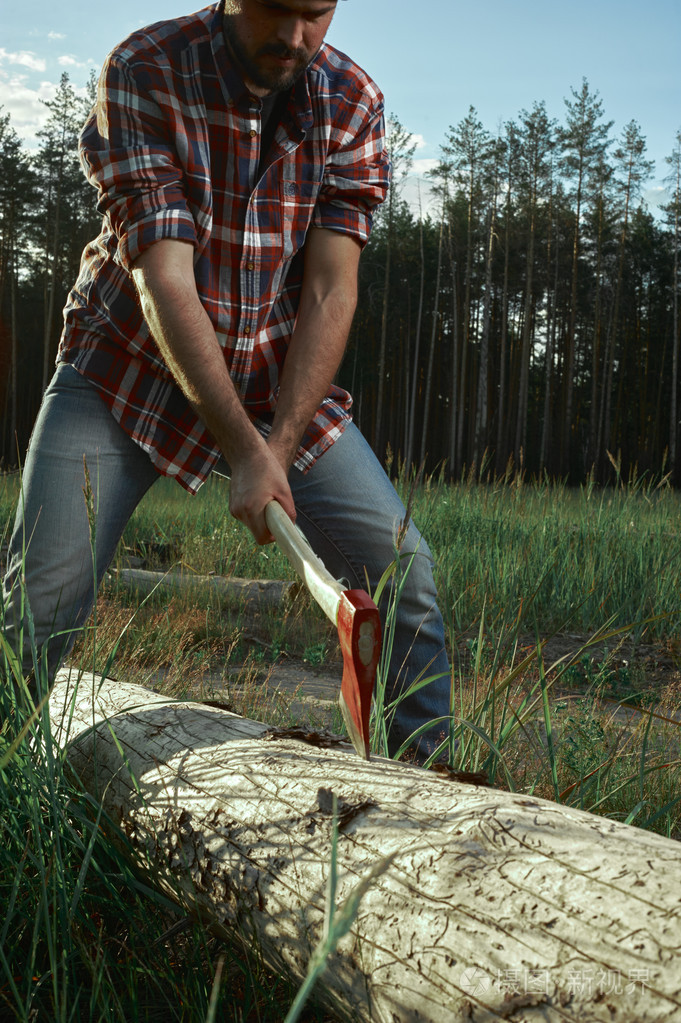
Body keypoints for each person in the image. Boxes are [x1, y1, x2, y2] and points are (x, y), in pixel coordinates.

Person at [2, 0, 451, 760]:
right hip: (125, 371)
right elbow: (164, 281)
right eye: (275, 11)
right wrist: (245, 452)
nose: (294, 37)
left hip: (275, 377)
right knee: (42, 595)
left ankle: (439, 814)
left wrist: (275, 440)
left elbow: (328, 290)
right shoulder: (144, 70)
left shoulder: (351, 101)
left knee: (405, 573)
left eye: (315, 14)